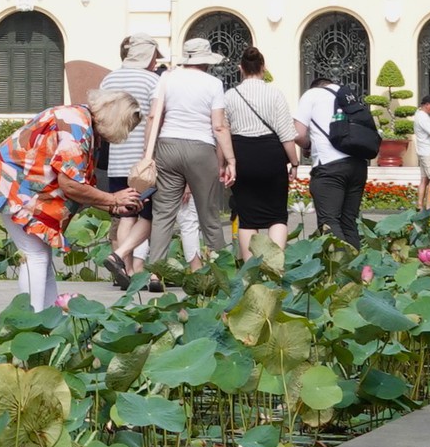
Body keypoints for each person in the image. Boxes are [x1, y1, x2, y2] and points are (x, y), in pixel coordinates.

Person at [0, 94, 144, 308]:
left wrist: (114, 204)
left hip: (19, 182)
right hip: (13, 182)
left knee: (41, 256)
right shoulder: (77, 129)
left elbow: (78, 187)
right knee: (36, 255)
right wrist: (113, 199)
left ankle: (49, 317)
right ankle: (33, 318)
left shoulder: (81, 120)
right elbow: (70, 184)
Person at [134, 37, 235, 274]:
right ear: (206, 61)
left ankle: (156, 273)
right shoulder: (213, 83)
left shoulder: (166, 78)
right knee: (208, 214)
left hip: (167, 146)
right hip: (201, 149)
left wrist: (147, 154)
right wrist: (230, 160)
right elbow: (219, 126)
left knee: (163, 214)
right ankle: (220, 272)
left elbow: (152, 118)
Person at [95, 36, 163, 288]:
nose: (156, 62)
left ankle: (125, 270)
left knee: (126, 215)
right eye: (155, 57)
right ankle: (129, 263)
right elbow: (157, 117)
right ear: (147, 57)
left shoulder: (109, 79)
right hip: (142, 163)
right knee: (147, 216)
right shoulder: (153, 80)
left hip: (116, 158)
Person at [222, 47, 301, 261]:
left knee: (247, 217)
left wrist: (225, 164)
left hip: (242, 157)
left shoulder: (230, 96)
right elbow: (286, 134)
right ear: (263, 68)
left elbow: (223, 132)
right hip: (271, 156)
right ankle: (274, 265)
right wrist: (294, 163)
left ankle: (251, 271)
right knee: (277, 216)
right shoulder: (275, 94)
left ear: (241, 69)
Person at [299, 68, 369, 245]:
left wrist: (308, 146)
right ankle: (357, 269)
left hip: (329, 166)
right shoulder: (347, 96)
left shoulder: (311, 95)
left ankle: (340, 269)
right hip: (357, 164)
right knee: (348, 222)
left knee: (329, 222)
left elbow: (298, 134)